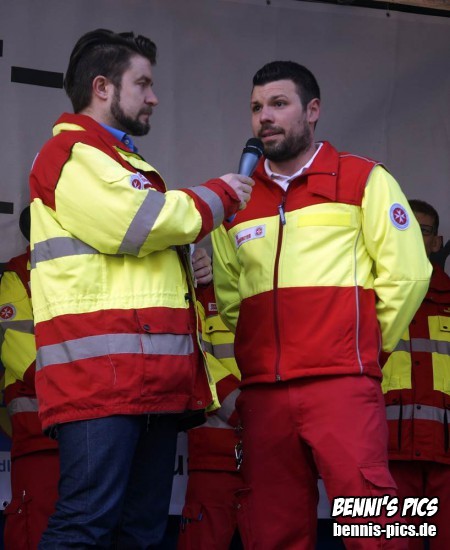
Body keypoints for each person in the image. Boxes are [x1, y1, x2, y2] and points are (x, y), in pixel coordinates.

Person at [29, 29, 253, 549]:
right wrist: (221, 194)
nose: (154, 98)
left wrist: (184, 262)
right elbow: (139, 223)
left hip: (148, 381)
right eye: (143, 84)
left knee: (141, 532)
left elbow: (126, 254)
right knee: (84, 526)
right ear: (102, 87)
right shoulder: (70, 153)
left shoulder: (119, 160)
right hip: (100, 381)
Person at [211, 60, 432, 549]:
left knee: (373, 527)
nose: (265, 117)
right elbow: (231, 297)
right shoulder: (235, 199)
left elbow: (409, 274)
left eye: (279, 103)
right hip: (265, 392)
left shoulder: (364, 178)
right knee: (272, 530)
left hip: (342, 384)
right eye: (256, 107)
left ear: (313, 111)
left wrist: (362, 346)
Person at [381, 199, 450, 550]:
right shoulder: (371, 299)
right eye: (403, 226)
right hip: (387, 455)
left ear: (436, 242)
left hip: (446, 456)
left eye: (421, 230)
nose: (411, 236)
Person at [0, 206, 59, 549]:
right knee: (35, 524)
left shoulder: (85, 269)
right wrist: (70, 385)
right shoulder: (18, 272)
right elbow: (14, 341)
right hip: (36, 427)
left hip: (90, 427)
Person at [178, 276, 246, 550]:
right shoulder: (199, 291)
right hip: (214, 456)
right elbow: (192, 356)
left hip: (276, 458)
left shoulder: (288, 287)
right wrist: (249, 410)